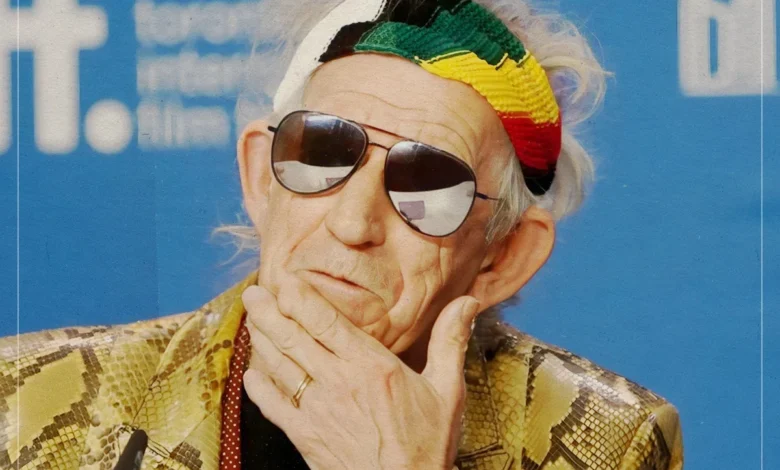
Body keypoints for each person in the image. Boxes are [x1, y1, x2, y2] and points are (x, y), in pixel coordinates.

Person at [1, 0, 684, 469]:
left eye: (426, 186)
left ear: (503, 256)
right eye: (323, 153)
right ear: (261, 178)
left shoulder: (610, 445)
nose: (354, 222)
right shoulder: (23, 403)